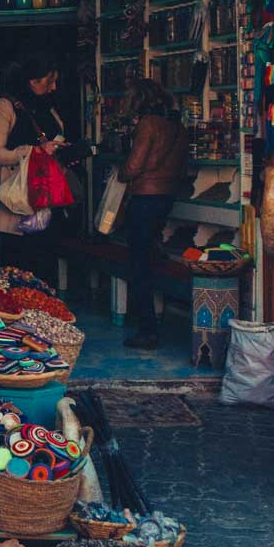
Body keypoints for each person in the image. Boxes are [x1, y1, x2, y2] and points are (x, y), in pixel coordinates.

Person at [0, 52, 83, 277]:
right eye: (50, 81)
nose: (54, 87)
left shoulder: (48, 109)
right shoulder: (4, 108)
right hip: (13, 200)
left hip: (43, 199)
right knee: (14, 265)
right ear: (34, 80)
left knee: (42, 261)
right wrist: (32, 152)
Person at [116, 78, 189, 351]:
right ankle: (151, 321)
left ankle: (147, 330)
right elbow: (181, 167)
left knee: (138, 263)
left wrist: (122, 172)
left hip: (145, 198)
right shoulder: (178, 127)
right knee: (149, 257)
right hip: (167, 198)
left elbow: (133, 166)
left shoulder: (148, 123)